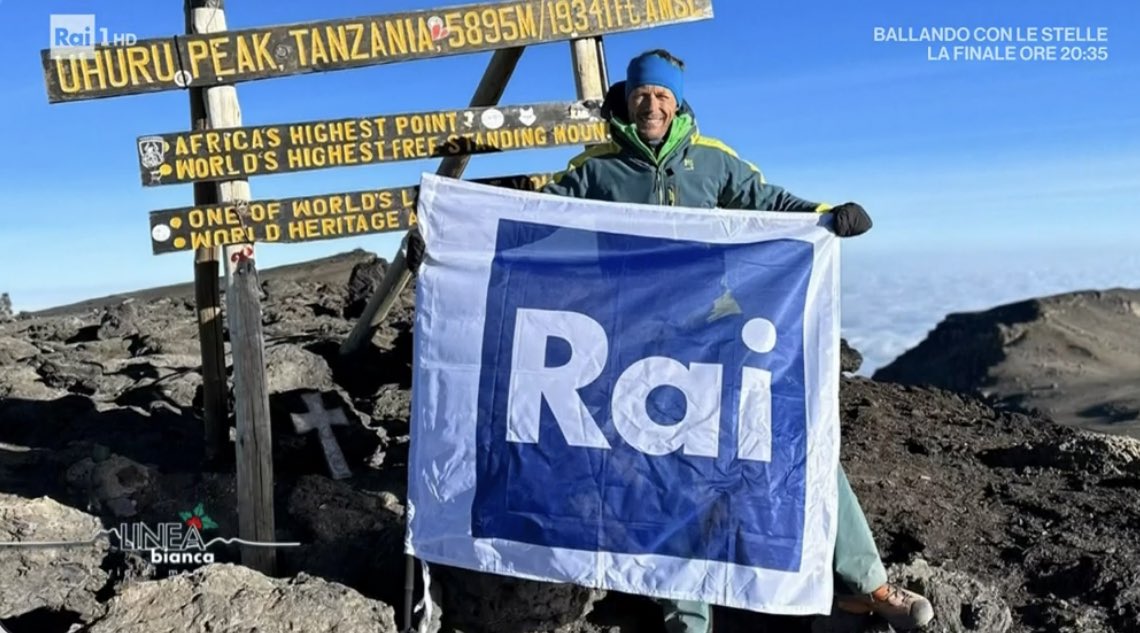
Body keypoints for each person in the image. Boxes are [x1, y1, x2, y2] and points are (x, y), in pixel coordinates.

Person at [405, 49, 934, 632]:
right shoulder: (595, 169)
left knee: (794, 445)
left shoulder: (713, 162)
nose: (651, 104)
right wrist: (449, 244)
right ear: (627, 101)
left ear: (677, 101)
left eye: (662, 95)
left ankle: (868, 585)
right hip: (630, 342)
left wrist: (830, 216)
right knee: (664, 472)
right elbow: (532, 223)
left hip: (715, 338)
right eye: (641, 95)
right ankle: (688, 617)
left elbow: (773, 206)